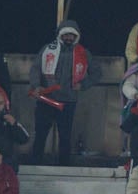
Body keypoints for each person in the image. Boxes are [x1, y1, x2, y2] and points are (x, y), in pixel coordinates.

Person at [28, 21, 98, 163]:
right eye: (66, 35)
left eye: (72, 35)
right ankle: (35, 164)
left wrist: (84, 84)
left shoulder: (83, 53)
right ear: (60, 35)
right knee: (40, 134)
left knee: (65, 137)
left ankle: (63, 166)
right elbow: (35, 69)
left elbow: (96, 73)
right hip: (46, 99)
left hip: (68, 101)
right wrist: (36, 86)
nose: (69, 38)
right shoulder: (48, 49)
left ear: (76, 36)